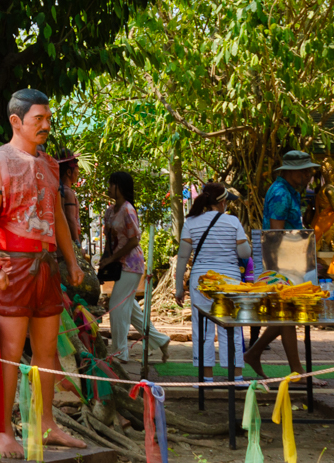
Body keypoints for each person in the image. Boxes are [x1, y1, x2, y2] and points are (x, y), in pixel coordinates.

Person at [0, 89, 88, 457]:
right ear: (16, 121)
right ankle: (3, 431)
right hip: (15, 267)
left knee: (46, 351)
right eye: (38, 118)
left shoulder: (50, 164)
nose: (45, 125)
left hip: (47, 266)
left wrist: (71, 261)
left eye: (48, 118)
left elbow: (57, 218)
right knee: (9, 351)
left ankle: (45, 424)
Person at [242, 150, 317, 380]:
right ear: (290, 171)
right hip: (282, 263)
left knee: (287, 316)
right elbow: (277, 234)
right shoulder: (281, 194)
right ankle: (296, 370)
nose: (309, 175)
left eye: (309, 171)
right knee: (288, 315)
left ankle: (255, 354)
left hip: (290, 260)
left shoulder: (291, 191)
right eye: (304, 171)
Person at [175, 182, 252, 378]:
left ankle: (206, 377)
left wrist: (179, 288)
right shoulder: (233, 222)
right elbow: (244, 253)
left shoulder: (191, 223)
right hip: (229, 281)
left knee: (202, 328)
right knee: (232, 326)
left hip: (201, 281)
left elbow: (183, 257)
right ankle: (236, 377)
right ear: (223, 202)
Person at [99, 171, 171, 363]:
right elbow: (109, 239)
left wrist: (112, 258)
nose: (108, 188)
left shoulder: (128, 210)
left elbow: (134, 240)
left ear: (120, 187)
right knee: (130, 309)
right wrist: (106, 260)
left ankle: (120, 352)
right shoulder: (110, 211)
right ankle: (160, 340)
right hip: (119, 263)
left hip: (131, 264)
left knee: (116, 306)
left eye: (112, 184)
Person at [58, 153, 83, 249]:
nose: (78, 172)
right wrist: (77, 243)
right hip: (70, 239)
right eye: (77, 169)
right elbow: (70, 219)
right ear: (69, 172)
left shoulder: (61, 190)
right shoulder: (67, 192)